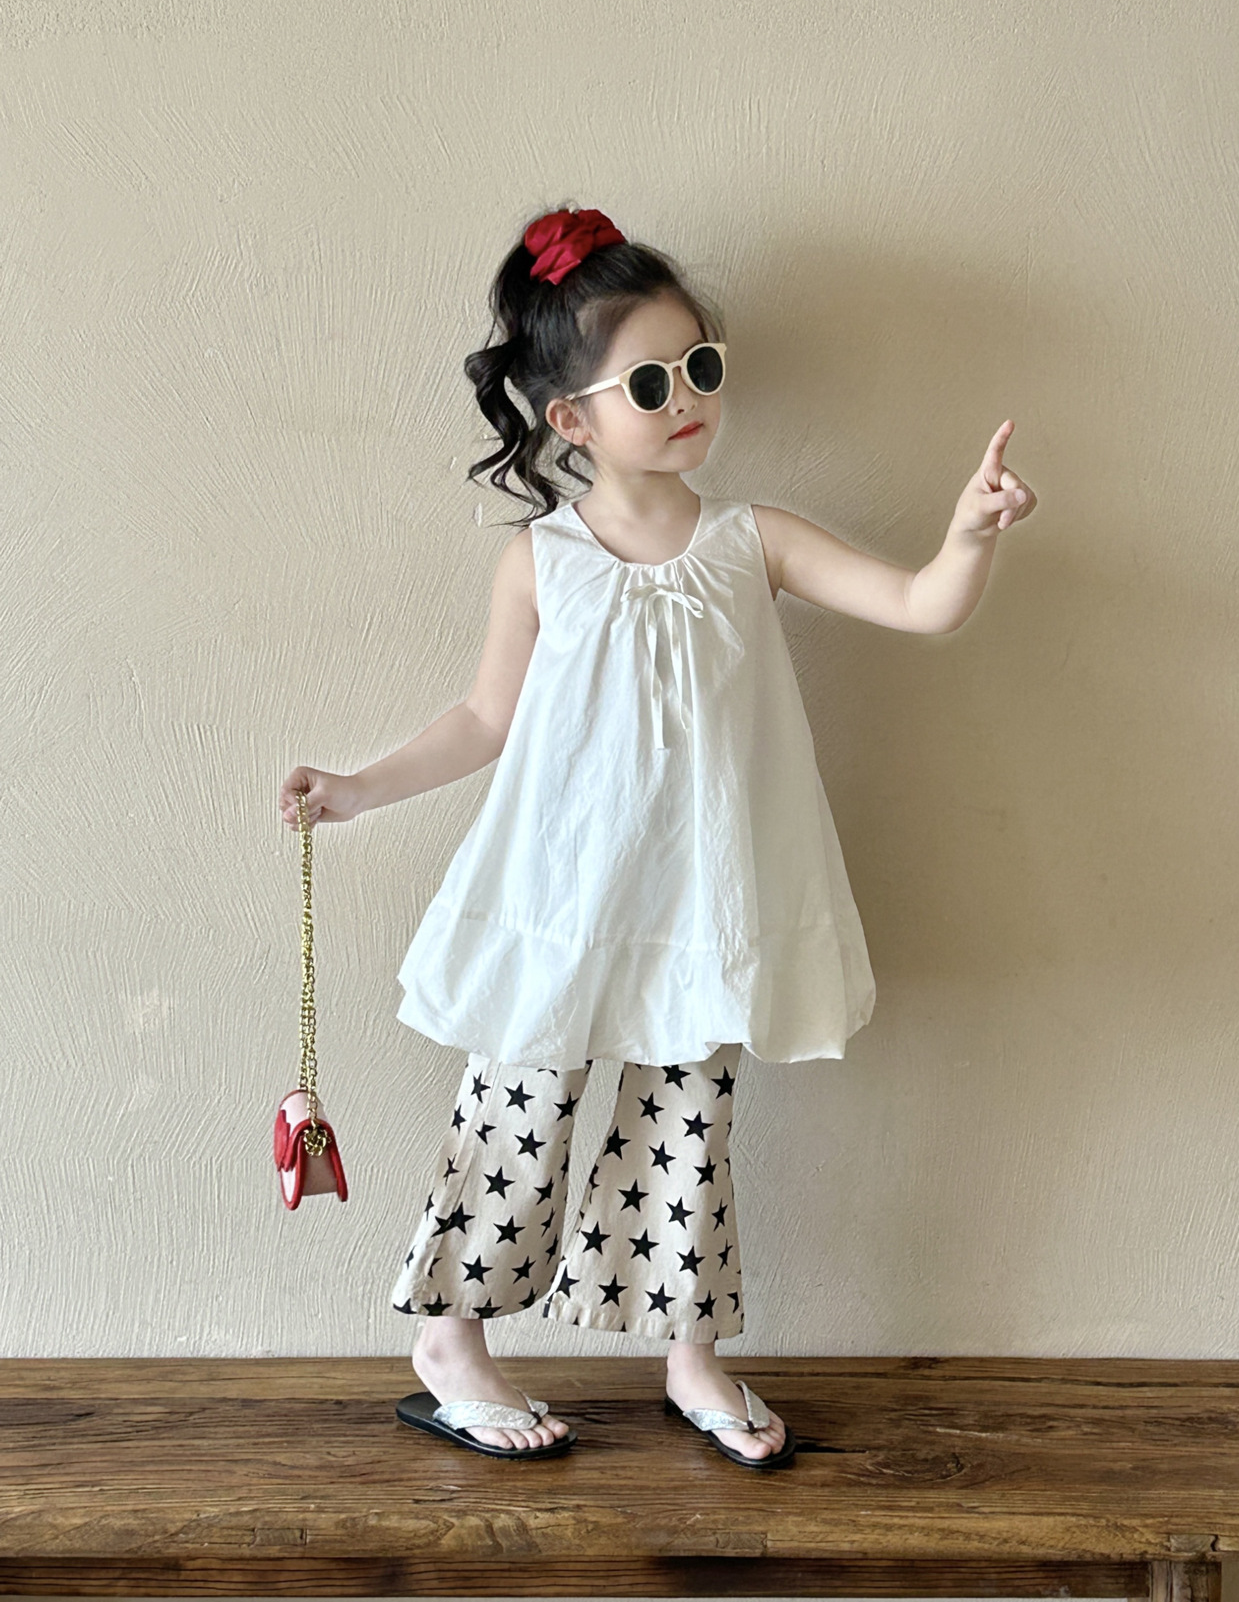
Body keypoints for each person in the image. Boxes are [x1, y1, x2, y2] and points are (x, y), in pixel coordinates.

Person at [277, 204, 1037, 1468]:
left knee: (686, 1129)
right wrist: (357, 788)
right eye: (648, 381)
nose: (686, 397)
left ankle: (688, 1352)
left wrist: (967, 532)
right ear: (568, 418)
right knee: (517, 1113)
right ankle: (450, 1342)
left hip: (701, 906)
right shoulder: (544, 560)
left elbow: (918, 605)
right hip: (561, 900)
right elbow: (484, 719)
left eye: (701, 366)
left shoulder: (751, 541)